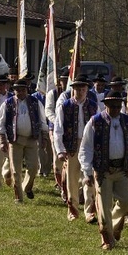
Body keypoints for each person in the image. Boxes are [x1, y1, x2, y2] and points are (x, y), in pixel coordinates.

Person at [79, 91, 128, 250]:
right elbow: (86, 149)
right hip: (102, 171)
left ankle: (112, 226)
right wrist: (86, 171)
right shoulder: (95, 122)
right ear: (105, 105)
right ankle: (106, 238)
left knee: (127, 201)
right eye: (111, 106)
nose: (115, 109)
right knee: (104, 205)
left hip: (122, 169)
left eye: (117, 106)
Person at [54, 74, 99, 222]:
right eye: (76, 89)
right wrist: (60, 150)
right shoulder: (65, 106)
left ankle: (90, 211)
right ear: (72, 90)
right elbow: (58, 129)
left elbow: (98, 127)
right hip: (71, 146)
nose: (79, 92)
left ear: (87, 90)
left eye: (82, 89)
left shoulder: (93, 105)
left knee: (88, 178)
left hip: (88, 146)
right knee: (72, 180)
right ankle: (72, 210)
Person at [0, 78, 49, 203]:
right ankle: (18, 197)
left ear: (27, 90)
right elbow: (0, 123)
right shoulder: (8, 104)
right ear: (13, 91)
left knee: (34, 167)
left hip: (32, 139)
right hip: (15, 140)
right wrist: (3, 140)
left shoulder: (35, 102)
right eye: (17, 90)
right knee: (15, 170)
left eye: (22, 90)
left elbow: (43, 121)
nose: (20, 92)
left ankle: (27, 187)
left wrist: (45, 137)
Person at [46, 68, 70, 196]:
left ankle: (68, 184)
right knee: (57, 157)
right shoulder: (53, 94)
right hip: (55, 128)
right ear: (59, 81)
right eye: (63, 80)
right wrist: (58, 122)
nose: (65, 83)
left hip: (71, 131)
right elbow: (48, 111)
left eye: (67, 80)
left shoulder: (73, 93)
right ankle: (60, 183)